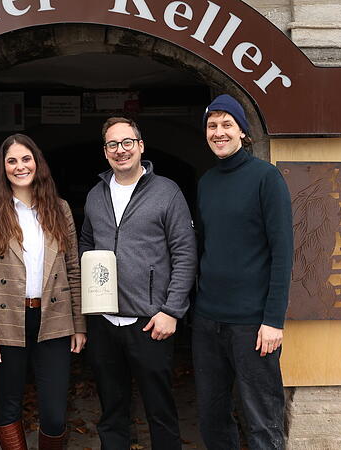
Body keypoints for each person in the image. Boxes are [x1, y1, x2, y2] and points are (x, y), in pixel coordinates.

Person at [80, 117, 197, 449]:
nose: (121, 150)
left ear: (141, 146)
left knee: (159, 409)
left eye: (127, 142)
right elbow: (86, 241)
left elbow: (185, 253)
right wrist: (93, 284)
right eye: (113, 145)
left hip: (150, 321)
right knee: (111, 410)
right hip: (104, 321)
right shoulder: (95, 195)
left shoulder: (166, 191)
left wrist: (172, 310)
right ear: (105, 152)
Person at [0, 134, 86, 450]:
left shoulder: (59, 210)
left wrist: (79, 324)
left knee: (54, 412)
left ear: (37, 163)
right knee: (8, 407)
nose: (20, 166)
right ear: (2, 168)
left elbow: (73, 270)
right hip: (7, 322)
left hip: (55, 319)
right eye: (12, 161)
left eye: (26, 159)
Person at [192, 94, 294, 449]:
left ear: (242, 132)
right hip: (207, 321)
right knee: (212, 416)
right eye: (212, 126)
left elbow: (283, 253)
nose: (219, 133)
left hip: (253, 323)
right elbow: (206, 247)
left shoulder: (267, 178)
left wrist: (274, 320)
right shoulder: (205, 183)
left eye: (226, 125)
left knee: (262, 420)